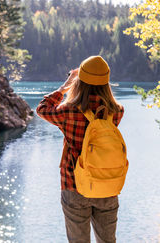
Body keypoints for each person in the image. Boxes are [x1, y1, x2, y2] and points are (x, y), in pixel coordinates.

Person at [36, 55, 124, 243]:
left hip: (74, 186)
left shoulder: (68, 111)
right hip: (107, 185)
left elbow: (42, 109)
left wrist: (65, 87)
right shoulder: (116, 111)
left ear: (80, 82)